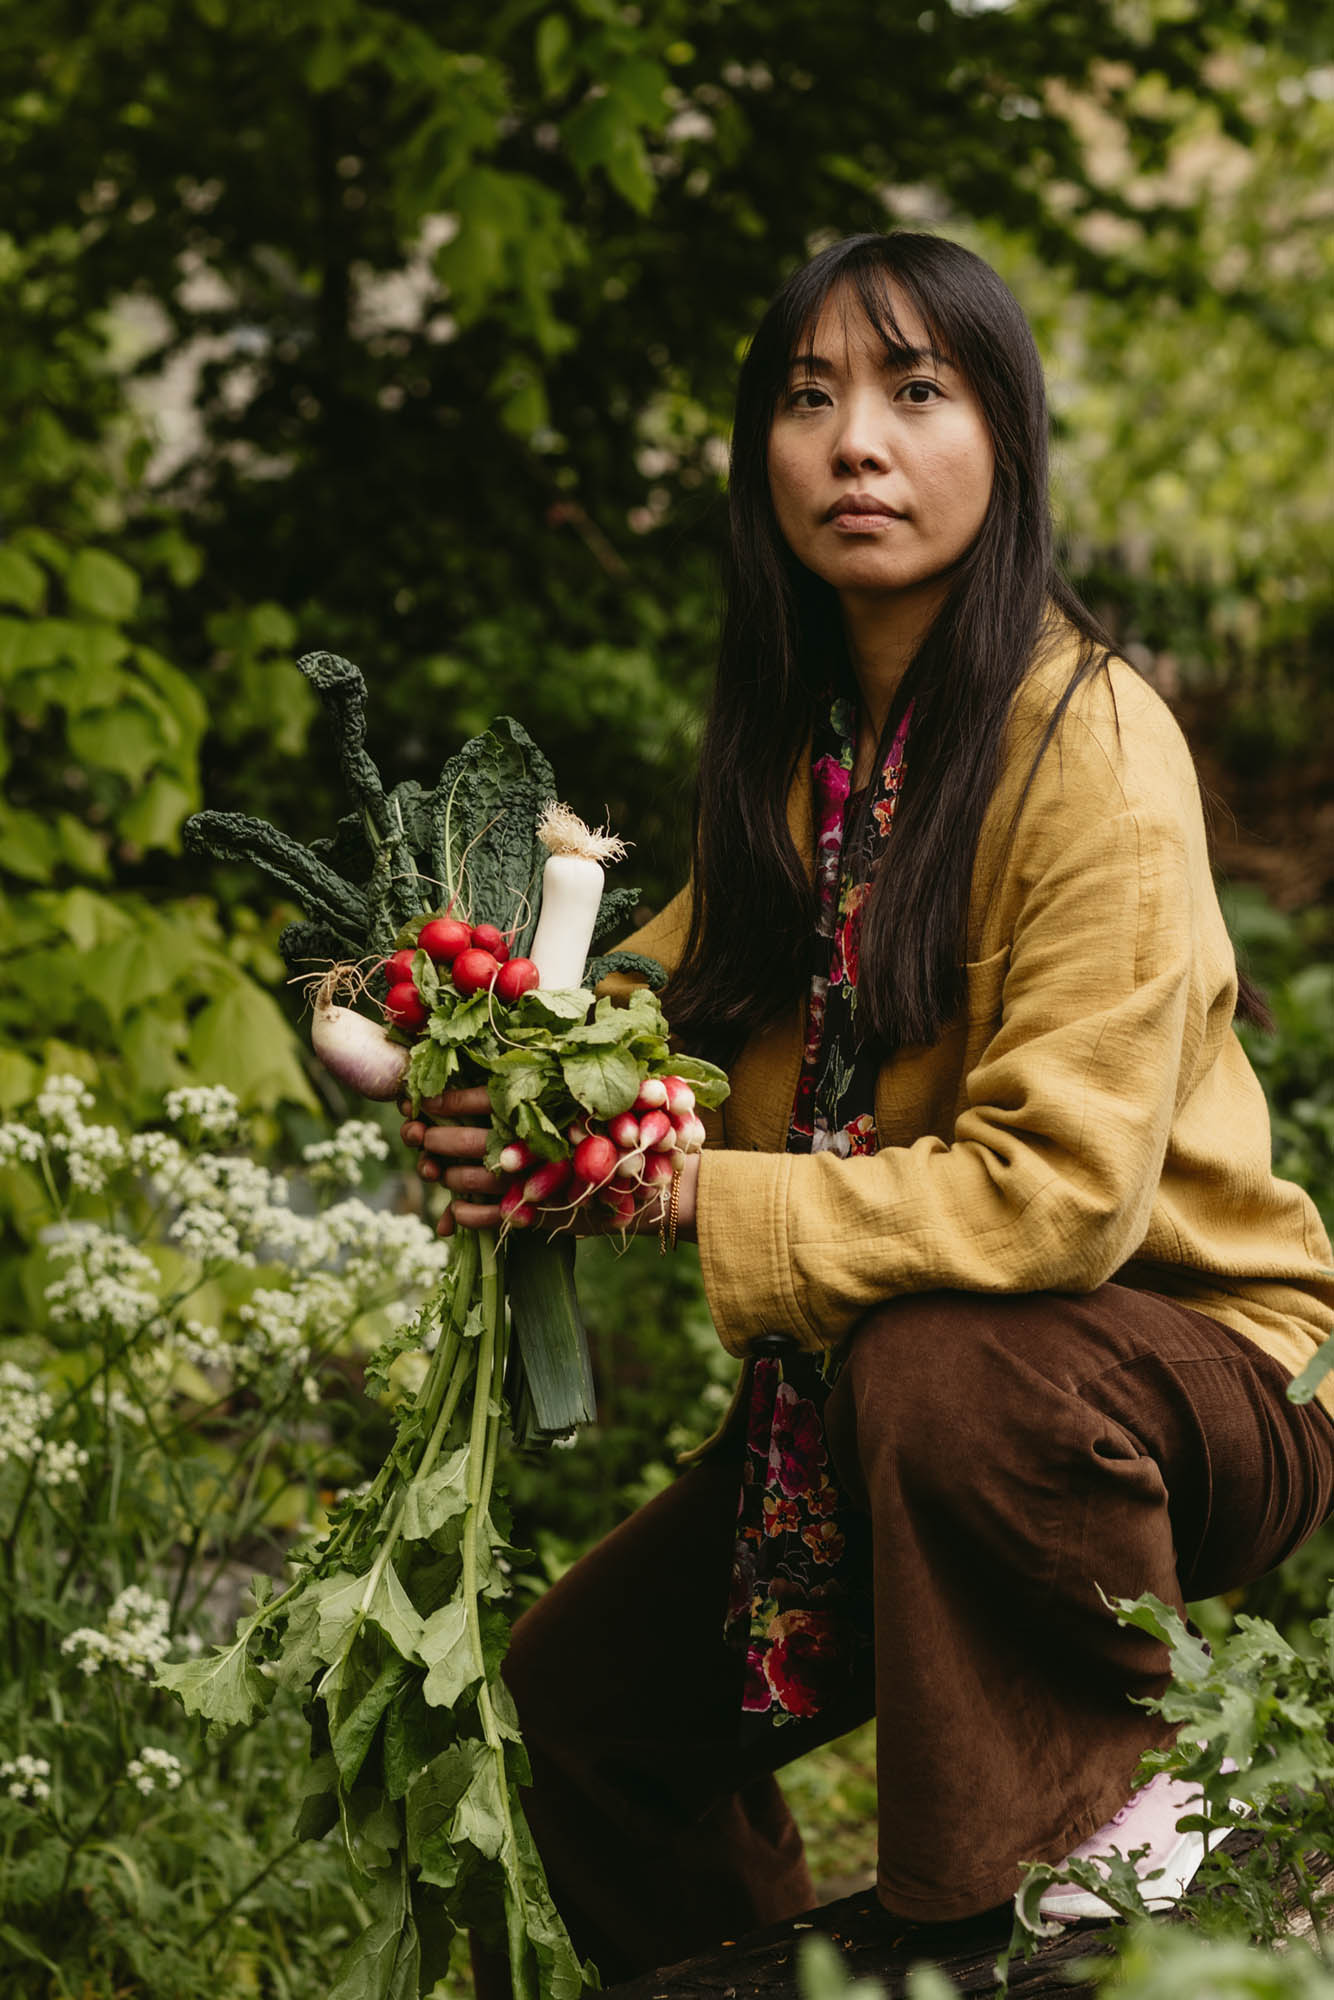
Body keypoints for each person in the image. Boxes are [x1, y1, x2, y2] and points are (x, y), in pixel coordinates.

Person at [399, 232, 1334, 1978]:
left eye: (917, 392)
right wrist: (460, 1071)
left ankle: (1075, 1872)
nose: (856, 443)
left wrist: (687, 1196)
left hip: (1207, 1370)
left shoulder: (1093, 747)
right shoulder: (798, 747)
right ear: (761, 453)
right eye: (808, 397)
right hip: (910, 1382)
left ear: (1006, 439)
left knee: (936, 1364)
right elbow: (632, 1011)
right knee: (573, 1717)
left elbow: (1057, 1202)